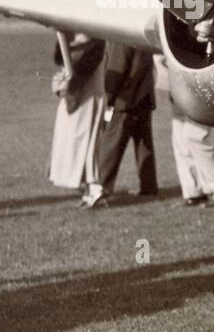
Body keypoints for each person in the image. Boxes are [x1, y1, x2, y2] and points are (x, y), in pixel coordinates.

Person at [83, 40, 157, 208]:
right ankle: (149, 186)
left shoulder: (120, 38)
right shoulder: (140, 37)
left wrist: (108, 99)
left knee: (110, 145)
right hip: (144, 97)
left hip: (125, 101)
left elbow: (118, 69)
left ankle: (100, 189)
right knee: (144, 144)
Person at [154, 54, 214, 207]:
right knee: (180, 139)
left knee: (194, 136)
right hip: (179, 87)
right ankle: (193, 191)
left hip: (199, 86)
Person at [47, 31, 105, 201]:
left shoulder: (96, 44)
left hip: (88, 98)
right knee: (71, 142)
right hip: (73, 100)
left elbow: (81, 71)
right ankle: (86, 187)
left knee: (87, 142)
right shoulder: (69, 39)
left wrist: (66, 86)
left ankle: (93, 186)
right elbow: (60, 60)